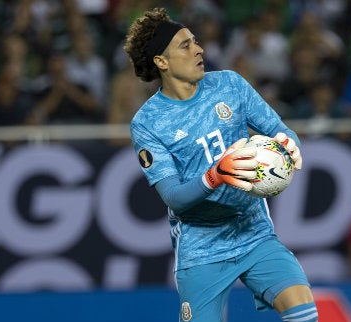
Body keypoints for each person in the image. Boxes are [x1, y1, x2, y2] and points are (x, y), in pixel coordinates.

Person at [123, 7, 317, 322]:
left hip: (253, 231)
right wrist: (215, 176)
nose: (199, 49)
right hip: (201, 248)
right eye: (185, 45)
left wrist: (289, 144)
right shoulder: (148, 123)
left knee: (305, 314)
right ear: (162, 62)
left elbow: (279, 129)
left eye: (195, 41)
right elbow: (173, 197)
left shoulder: (229, 84)